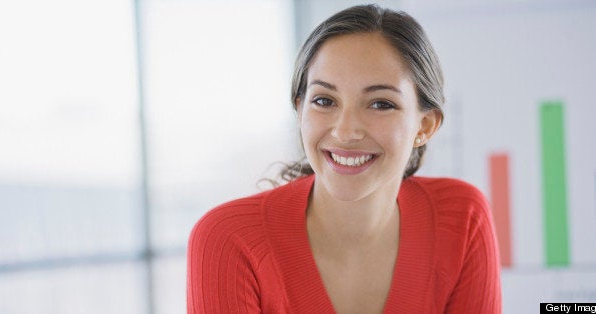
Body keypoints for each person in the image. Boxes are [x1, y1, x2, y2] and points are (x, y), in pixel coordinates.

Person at [187, 4, 501, 313]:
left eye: (380, 104)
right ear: (300, 110)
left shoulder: (461, 219)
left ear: (425, 125)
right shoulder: (228, 241)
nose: (345, 131)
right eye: (324, 100)